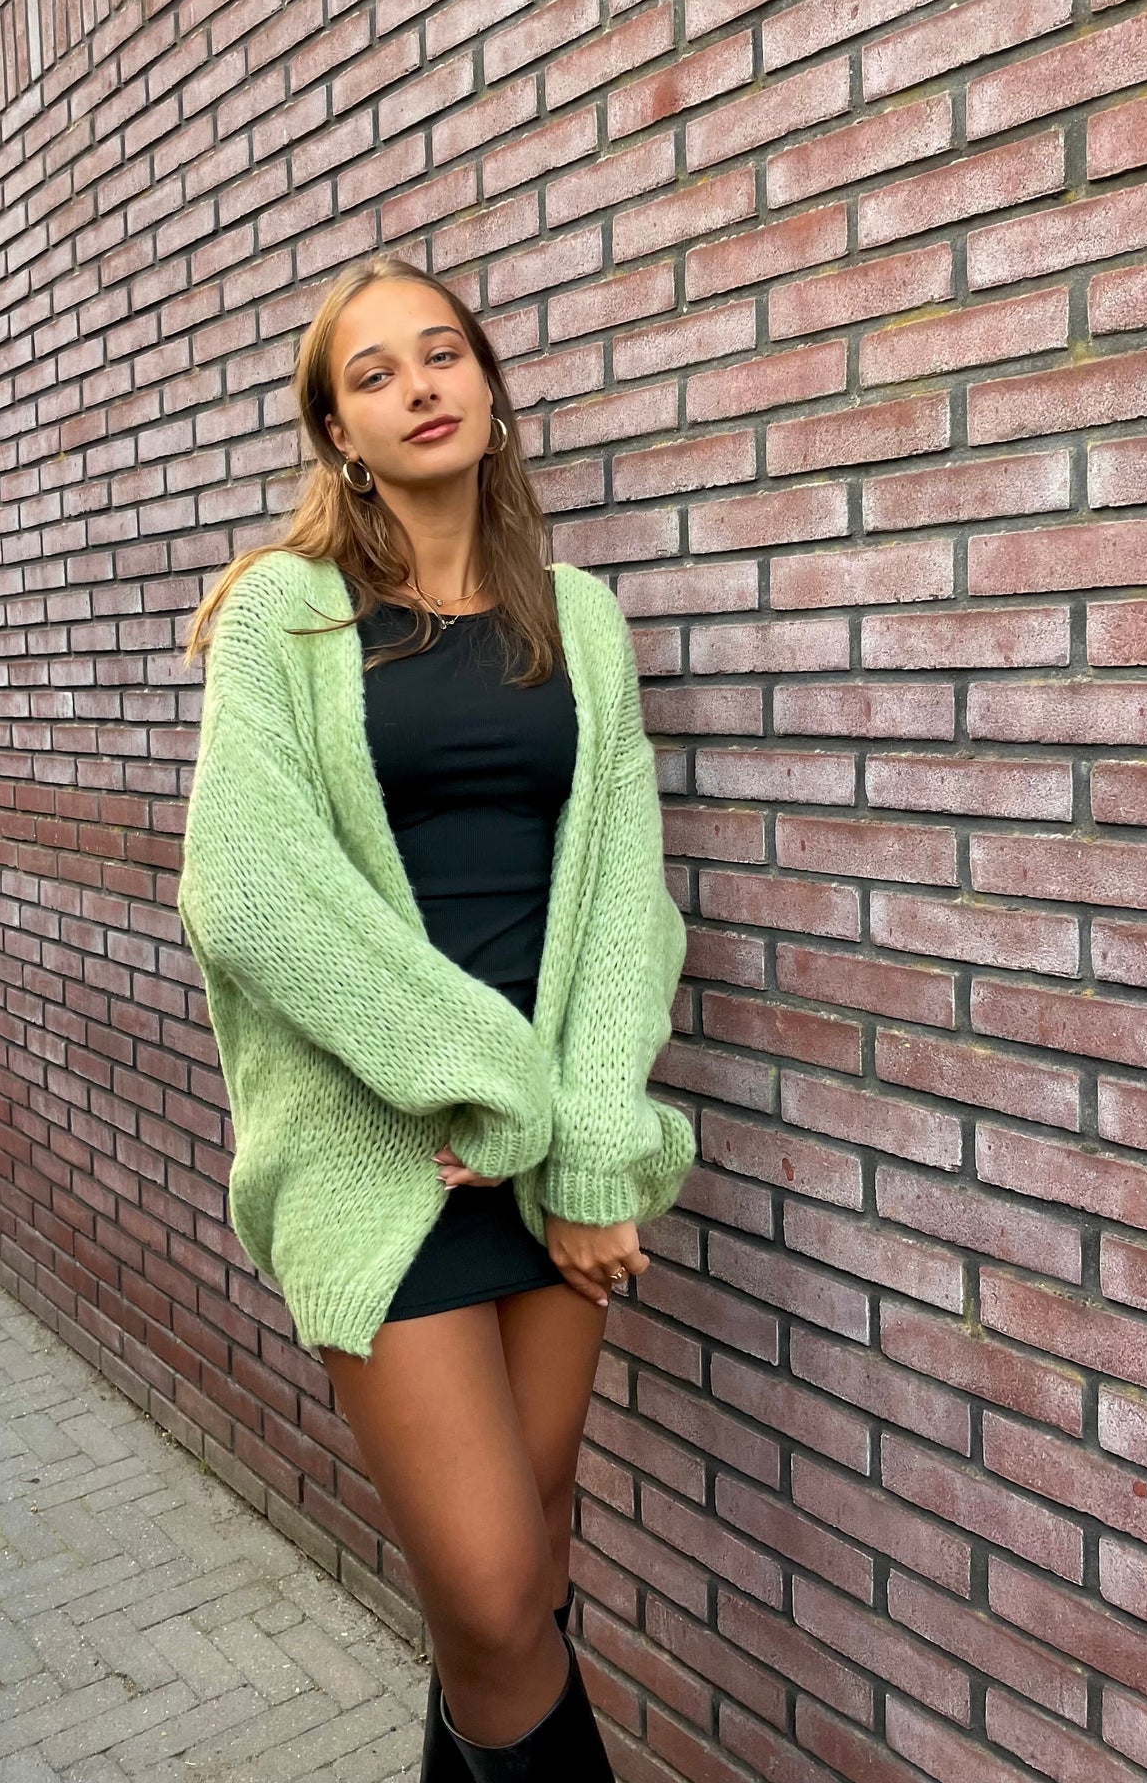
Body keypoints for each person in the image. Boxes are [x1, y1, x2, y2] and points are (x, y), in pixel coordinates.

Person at [176, 253, 694, 1778]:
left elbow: (625, 898)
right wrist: (477, 1074)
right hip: (381, 1148)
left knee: (530, 1563)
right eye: (374, 374)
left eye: (442, 353)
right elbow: (246, 888)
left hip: (547, 1154)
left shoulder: (579, 620)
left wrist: (582, 1136)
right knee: (487, 1591)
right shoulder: (285, 616)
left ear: (488, 386)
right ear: (336, 433)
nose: (418, 387)